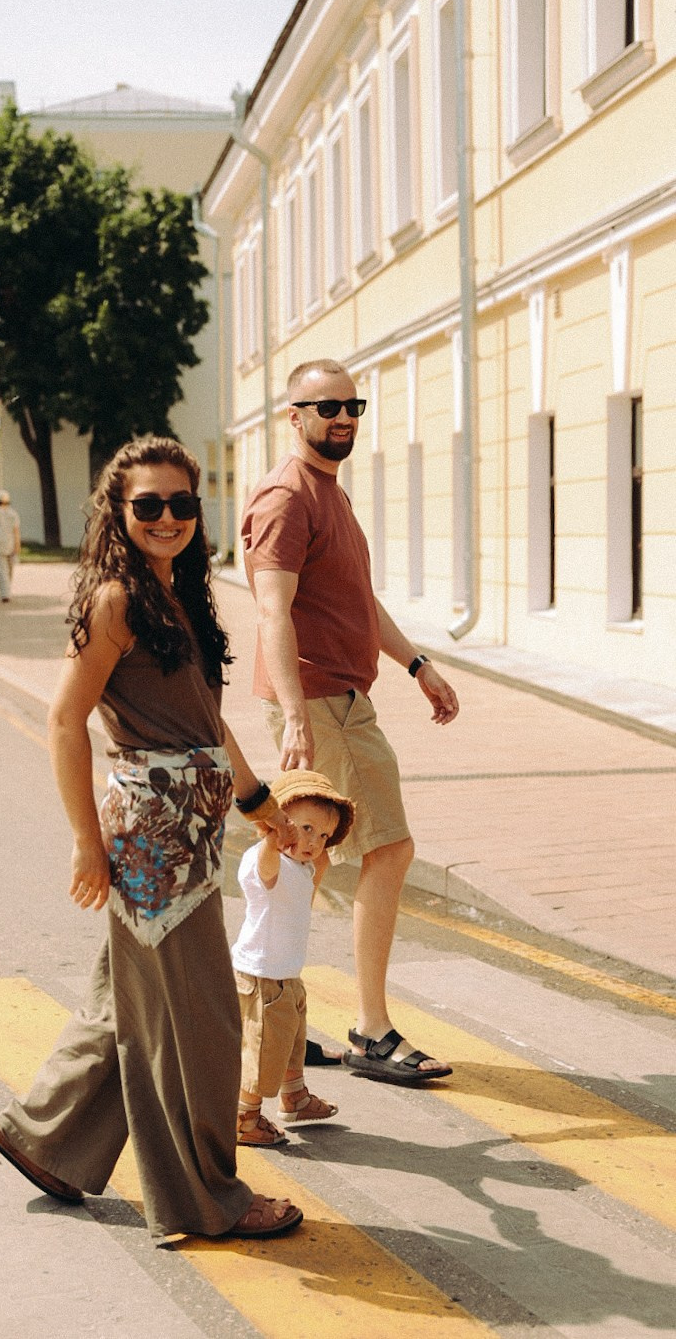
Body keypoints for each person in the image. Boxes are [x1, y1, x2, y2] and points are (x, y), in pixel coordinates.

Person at [0, 436, 303, 1244]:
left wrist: (256, 799)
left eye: (181, 503)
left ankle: (44, 1139)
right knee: (197, 1024)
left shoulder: (178, 594)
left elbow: (204, 718)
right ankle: (204, 1200)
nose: (166, 517)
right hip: (152, 839)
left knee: (127, 1004)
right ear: (117, 514)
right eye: (147, 505)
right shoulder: (115, 599)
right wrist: (87, 844)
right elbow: (64, 720)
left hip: (192, 826)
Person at [241, 358, 460, 1084]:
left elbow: (357, 604)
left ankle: (273, 1009)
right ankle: (367, 1032)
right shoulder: (285, 498)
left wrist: (416, 663)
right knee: (384, 848)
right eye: (325, 405)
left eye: (351, 405)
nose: (341, 417)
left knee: (310, 858)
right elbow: (272, 609)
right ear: (294, 415)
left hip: (340, 697)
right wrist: (298, 717)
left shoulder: (326, 493)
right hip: (319, 704)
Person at [232, 769, 354, 1147]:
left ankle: (295, 1099)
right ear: (279, 822)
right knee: (265, 1050)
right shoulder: (264, 860)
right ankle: (244, 1117)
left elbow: (315, 875)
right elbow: (268, 864)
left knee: (292, 1043)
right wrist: (273, 833)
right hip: (263, 977)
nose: (314, 842)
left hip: (286, 975)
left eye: (323, 835)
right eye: (305, 828)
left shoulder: (301, 866)